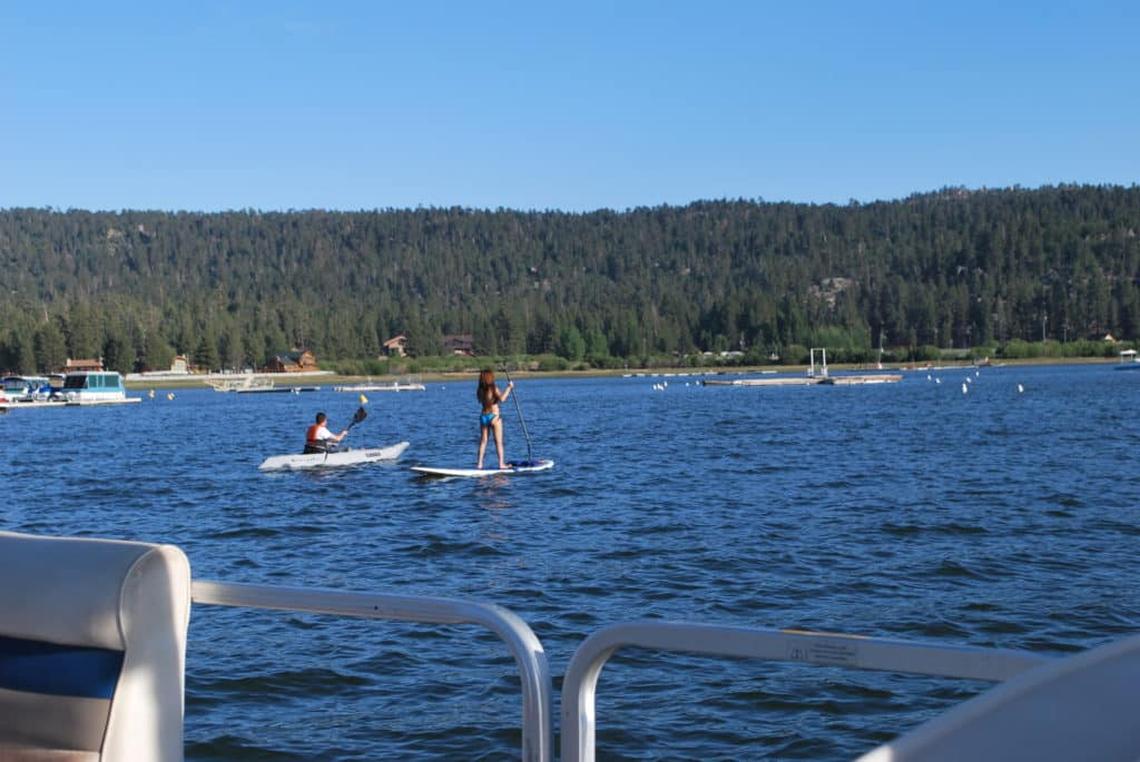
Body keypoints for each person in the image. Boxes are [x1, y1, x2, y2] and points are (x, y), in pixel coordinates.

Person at [476, 369, 514, 469]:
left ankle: (479, 464)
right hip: (495, 417)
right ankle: (501, 464)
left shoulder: (480, 389)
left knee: (483, 441)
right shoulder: (493, 388)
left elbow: (481, 401)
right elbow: (502, 399)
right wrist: (509, 388)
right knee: (498, 442)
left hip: (483, 417)